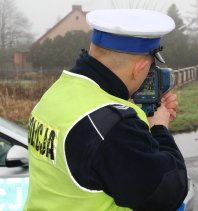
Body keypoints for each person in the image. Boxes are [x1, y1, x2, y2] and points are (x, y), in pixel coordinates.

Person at [24, 9, 187, 211]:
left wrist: (131, 112)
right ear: (140, 67)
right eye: (149, 68)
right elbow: (169, 192)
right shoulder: (114, 125)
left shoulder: (56, 94)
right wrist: (159, 129)